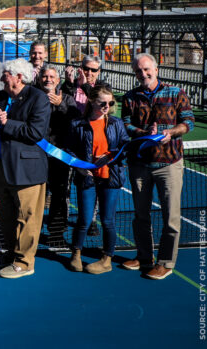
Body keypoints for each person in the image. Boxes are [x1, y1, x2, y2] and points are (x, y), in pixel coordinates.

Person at [120, 53, 194, 280]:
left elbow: (188, 122)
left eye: (146, 69)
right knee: (140, 215)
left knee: (170, 216)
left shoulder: (176, 93)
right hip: (140, 165)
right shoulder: (130, 97)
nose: (143, 74)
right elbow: (125, 124)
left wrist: (170, 133)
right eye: (138, 71)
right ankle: (144, 257)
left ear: (156, 69)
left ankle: (165, 262)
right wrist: (144, 134)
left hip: (169, 164)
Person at [0, 58, 49, 279]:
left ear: (18, 77)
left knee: (28, 217)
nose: (2, 78)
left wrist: (6, 123)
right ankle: (11, 254)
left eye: (6, 74)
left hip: (27, 170)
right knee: (6, 215)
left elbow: (35, 132)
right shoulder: (0, 97)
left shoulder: (38, 98)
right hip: (2, 167)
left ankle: (24, 262)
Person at [67, 85, 129, 274]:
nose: (106, 106)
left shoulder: (116, 123)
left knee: (108, 220)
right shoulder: (77, 124)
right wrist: (79, 167)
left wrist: (111, 155)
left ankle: (106, 259)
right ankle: (76, 254)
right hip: (87, 179)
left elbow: (124, 146)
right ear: (92, 101)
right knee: (84, 219)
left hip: (110, 178)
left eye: (110, 103)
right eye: (103, 102)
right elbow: (69, 150)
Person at [38, 65, 81, 248]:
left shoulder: (68, 99)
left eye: (52, 77)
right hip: (38, 157)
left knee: (59, 196)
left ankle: (56, 233)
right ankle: (33, 233)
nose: (48, 79)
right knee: (38, 197)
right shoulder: (33, 97)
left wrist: (60, 105)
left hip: (59, 158)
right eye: (45, 76)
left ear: (58, 80)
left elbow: (76, 121)